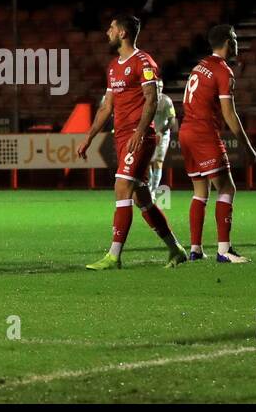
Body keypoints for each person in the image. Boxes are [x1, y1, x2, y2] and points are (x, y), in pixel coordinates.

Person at [76, 14, 187, 269]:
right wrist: (89, 137)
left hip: (140, 137)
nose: (107, 32)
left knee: (121, 188)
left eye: (111, 28)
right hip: (122, 137)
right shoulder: (114, 66)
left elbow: (152, 99)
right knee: (142, 199)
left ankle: (114, 256)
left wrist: (138, 132)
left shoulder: (143, 62)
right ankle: (176, 249)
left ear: (123, 33)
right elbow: (106, 107)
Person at [180, 25, 256, 263]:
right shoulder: (223, 72)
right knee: (227, 188)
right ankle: (224, 250)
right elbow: (229, 114)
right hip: (203, 133)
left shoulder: (199, 65)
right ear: (227, 42)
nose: (237, 43)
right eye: (234, 39)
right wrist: (247, 146)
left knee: (200, 192)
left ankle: (195, 249)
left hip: (185, 131)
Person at [147, 83, 178, 195]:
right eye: (156, 87)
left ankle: (153, 191)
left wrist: (161, 131)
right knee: (146, 163)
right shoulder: (146, 99)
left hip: (162, 135)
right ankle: (149, 186)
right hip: (148, 134)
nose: (158, 89)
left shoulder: (166, 101)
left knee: (158, 162)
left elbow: (172, 120)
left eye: (160, 87)